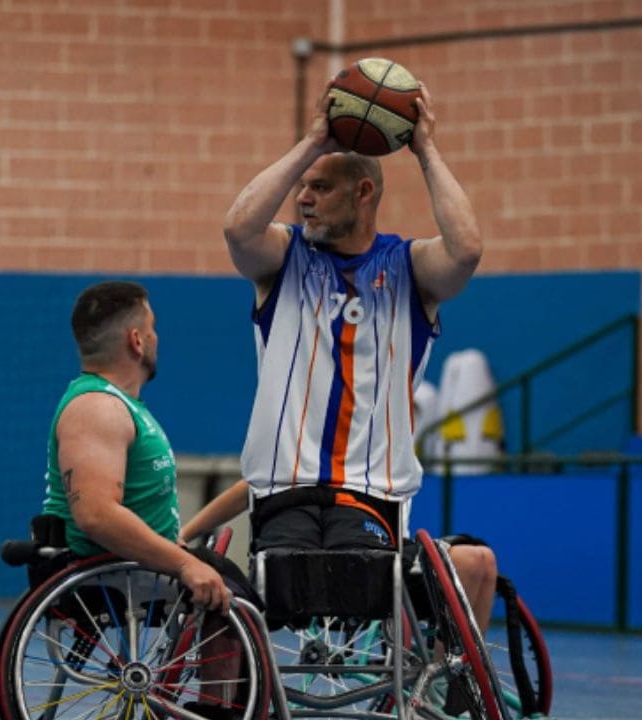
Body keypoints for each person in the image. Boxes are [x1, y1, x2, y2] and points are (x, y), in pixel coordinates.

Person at [195, 81, 499, 636]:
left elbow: (467, 249)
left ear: (363, 193)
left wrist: (425, 149)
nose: (302, 197)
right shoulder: (283, 259)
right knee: (280, 591)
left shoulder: (409, 268)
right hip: (284, 491)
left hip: (371, 493)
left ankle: (437, 670)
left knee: (368, 590)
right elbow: (238, 226)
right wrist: (313, 143)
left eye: (319, 187)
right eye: (302, 187)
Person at [40, 280, 245, 715]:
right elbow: (96, 514)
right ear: (136, 340)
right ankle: (223, 710)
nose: (157, 337)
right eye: (152, 328)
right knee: (233, 598)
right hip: (109, 573)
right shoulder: (96, 407)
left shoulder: (121, 405)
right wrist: (185, 563)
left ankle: (229, 705)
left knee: (236, 581)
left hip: (134, 568)